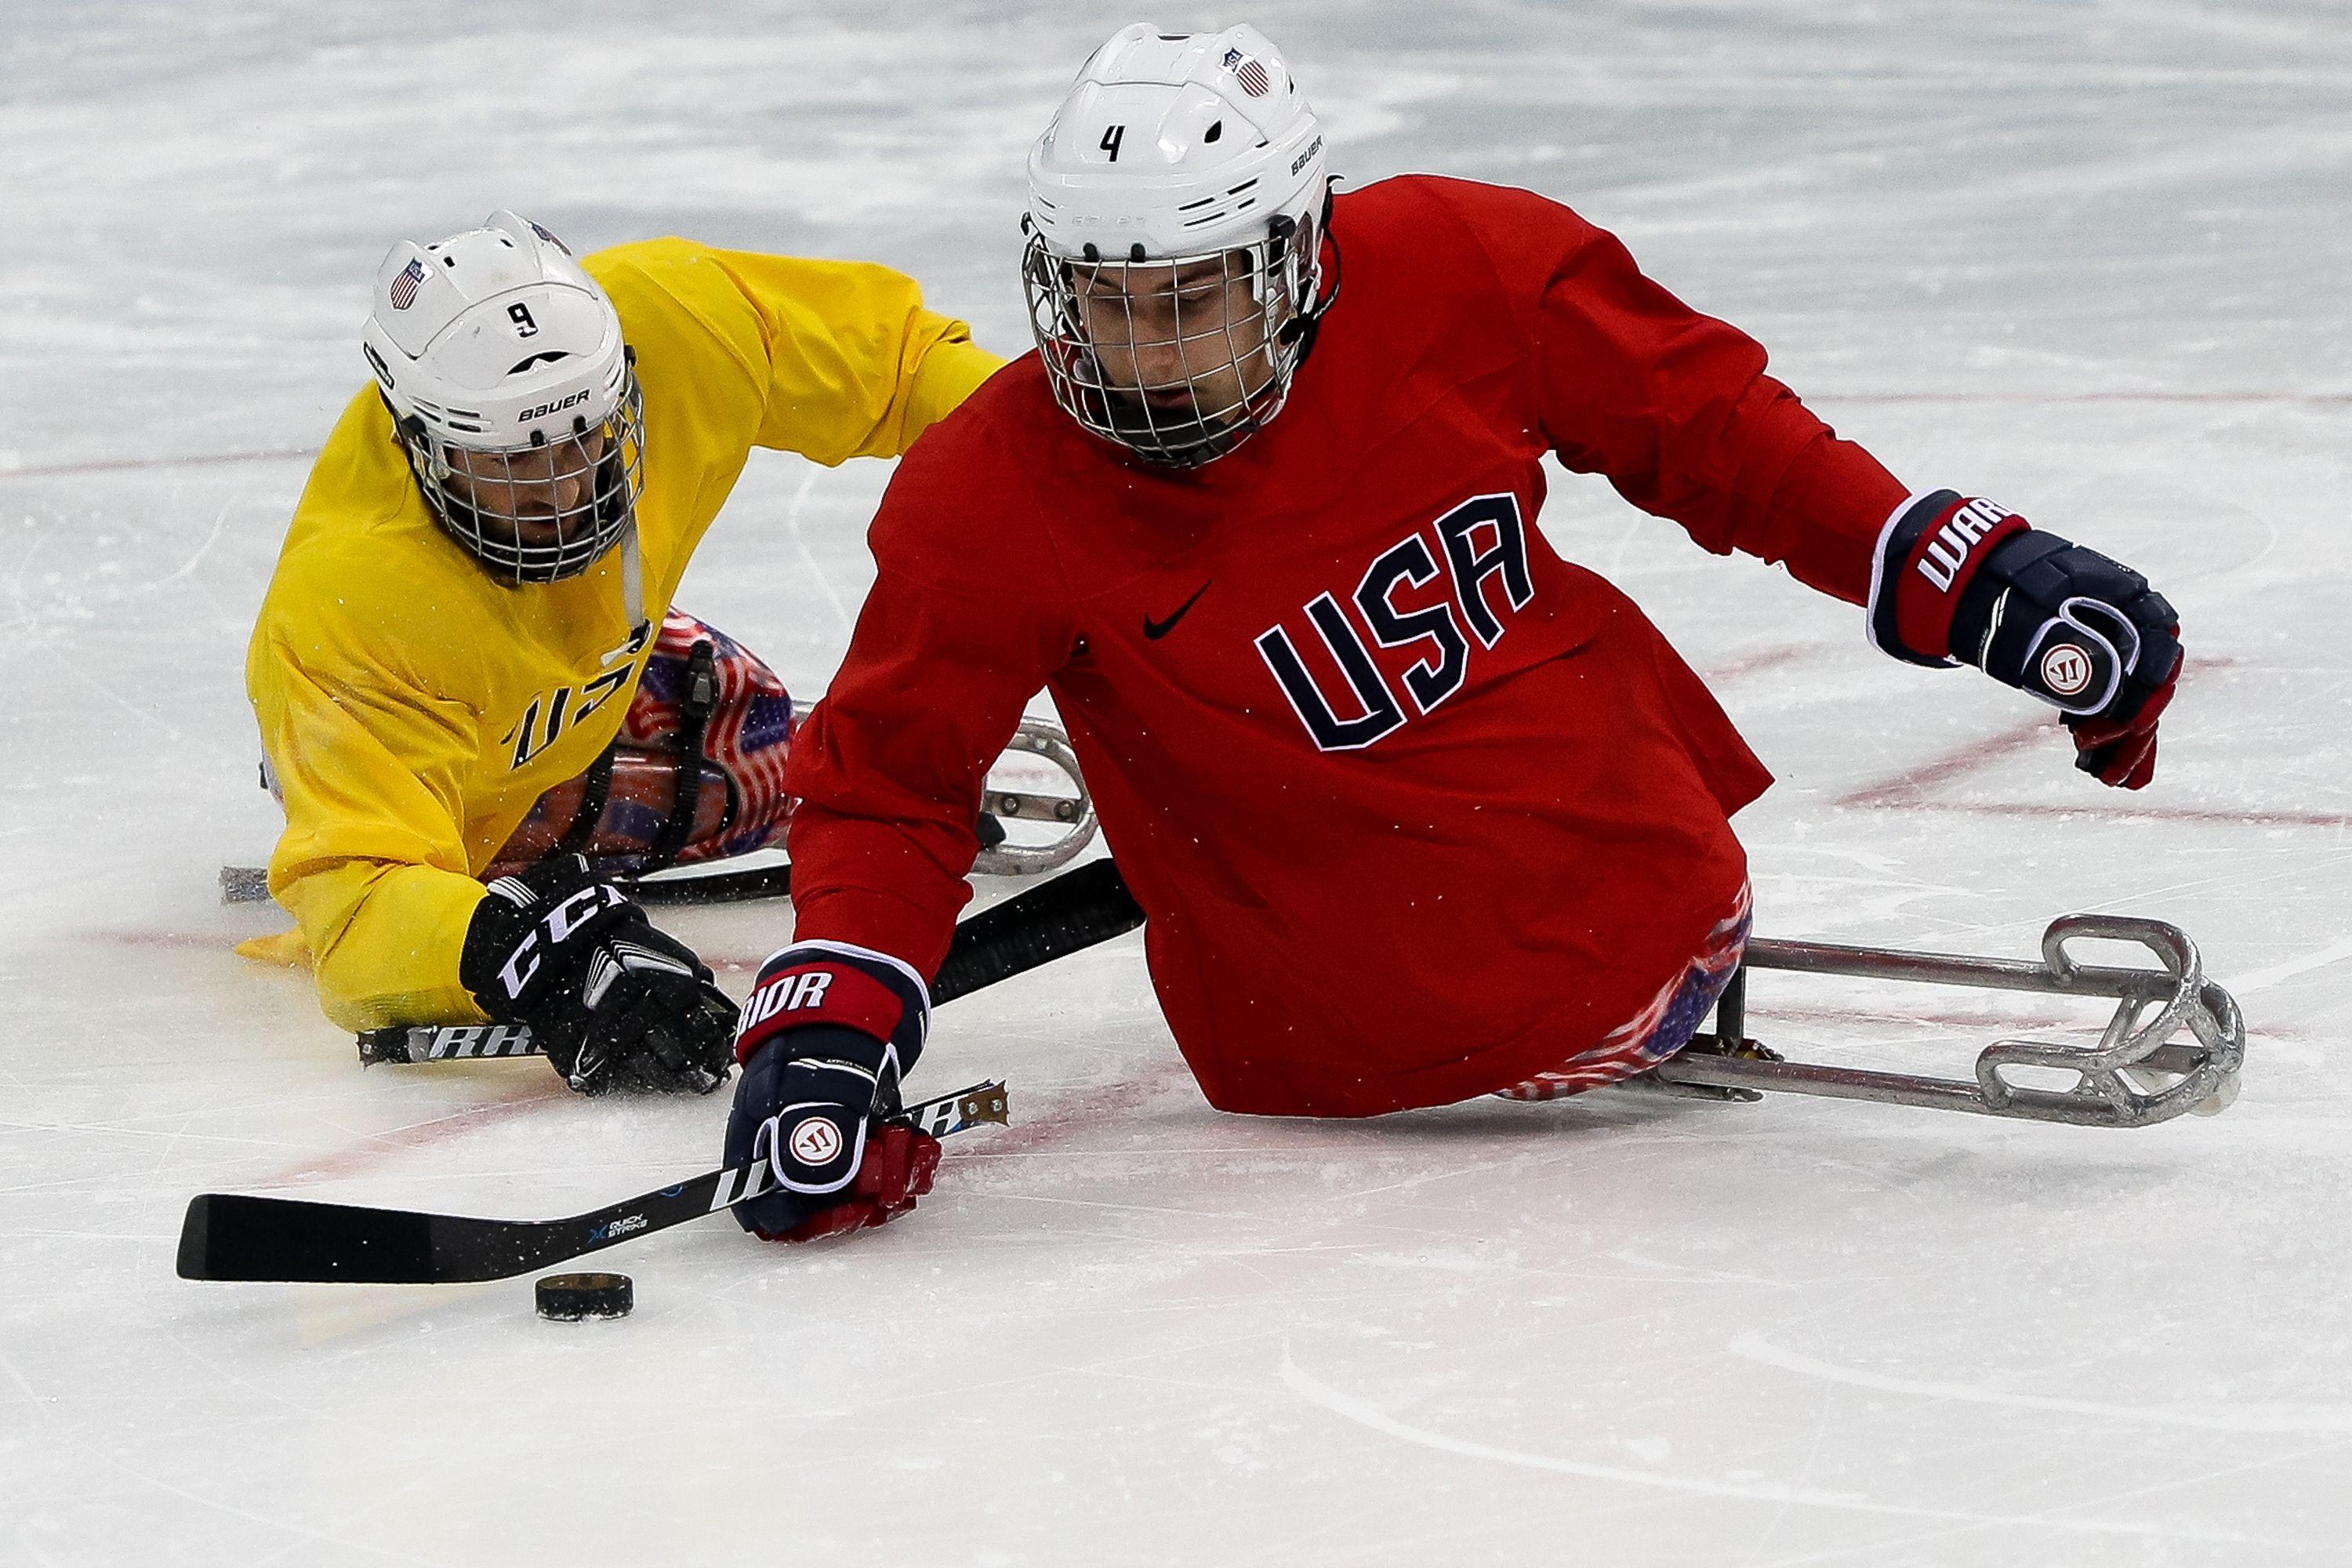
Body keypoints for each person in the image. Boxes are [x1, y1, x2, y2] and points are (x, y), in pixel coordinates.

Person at [713, 25, 2183, 1241]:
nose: (1143, 357)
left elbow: (1716, 433)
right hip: (1368, 1032)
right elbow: (892, 785)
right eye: (1105, 303)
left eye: (1192, 299)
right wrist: (824, 1028)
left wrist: (1964, 570)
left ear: (1299, 250)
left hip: (1646, 871)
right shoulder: (990, 492)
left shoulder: (1457, 262)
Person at [245, 212, 1002, 1094]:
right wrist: (522, 953)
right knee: (500, 876)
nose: (566, 490)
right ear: (422, 444)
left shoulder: (678, 318)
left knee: (747, 730)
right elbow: (357, 909)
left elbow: (908, 370)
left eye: (585, 436)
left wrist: (1087, 474)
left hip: (589, 663)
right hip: (421, 726)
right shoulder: (346, 609)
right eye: (512, 462)